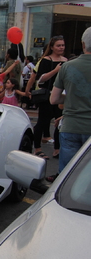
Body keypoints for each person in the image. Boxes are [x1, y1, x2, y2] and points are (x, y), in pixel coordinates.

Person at [49, 27, 91, 176]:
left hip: (71, 125)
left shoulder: (67, 67)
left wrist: (72, 98)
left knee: (67, 175)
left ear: (83, 44)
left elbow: (54, 99)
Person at [27, 35, 67, 159]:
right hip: (47, 95)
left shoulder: (66, 60)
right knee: (42, 122)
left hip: (61, 95)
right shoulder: (46, 60)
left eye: (63, 45)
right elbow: (40, 79)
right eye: (58, 45)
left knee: (59, 123)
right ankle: (37, 148)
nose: (61, 47)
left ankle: (57, 149)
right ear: (52, 47)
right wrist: (55, 70)